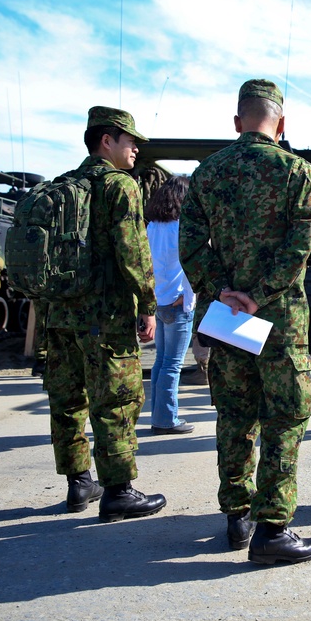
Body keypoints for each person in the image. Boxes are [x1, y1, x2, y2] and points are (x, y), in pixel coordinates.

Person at [179, 79, 311, 565]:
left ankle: (237, 517)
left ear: (237, 121)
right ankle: (273, 528)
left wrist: (224, 291)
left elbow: (192, 247)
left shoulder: (207, 173)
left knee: (234, 416)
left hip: (223, 319)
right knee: (284, 417)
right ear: (280, 124)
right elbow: (299, 249)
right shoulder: (297, 171)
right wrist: (258, 296)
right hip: (279, 321)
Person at [45, 106, 166, 522]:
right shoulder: (120, 186)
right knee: (115, 400)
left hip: (60, 313)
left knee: (67, 399)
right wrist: (148, 304)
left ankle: (79, 483)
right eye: (130, 141)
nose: (136, 149)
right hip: (106, 316)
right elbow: (133, 253)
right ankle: (118, 491)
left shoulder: (63, 185)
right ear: (106, 140)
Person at [145, 175, 195, 435]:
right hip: (178, 303)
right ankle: (167, 419)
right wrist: (187, 298)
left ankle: (159, 415)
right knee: (172, 365)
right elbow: (190, 268)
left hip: (158, 302)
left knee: (161, 362)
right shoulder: (182, 228)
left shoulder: (152, 226)